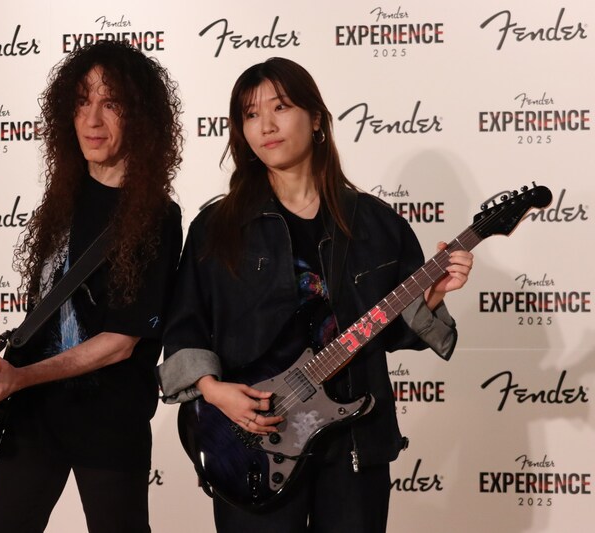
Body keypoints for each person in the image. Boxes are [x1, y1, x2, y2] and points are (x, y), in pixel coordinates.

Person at [156, 57, 473, 532]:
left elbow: (389, 334)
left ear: (317, 118)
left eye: (280, 107)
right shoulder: (217, 227)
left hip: (354, 442)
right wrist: (214, 391)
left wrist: (432, 297)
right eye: (250, 114)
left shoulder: (375, 223)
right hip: (255, 437)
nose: (266, 125)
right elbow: (185, 324)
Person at [0, 40, 183, 533]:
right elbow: (48, 310)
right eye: (82, 101)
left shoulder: (156, 215)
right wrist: (5, 377)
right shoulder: (63, 194)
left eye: (111, 103)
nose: (92, 119)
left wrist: (23, 377)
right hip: (33, 413)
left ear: (140, 117)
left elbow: (120, 342)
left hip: (108, 421)